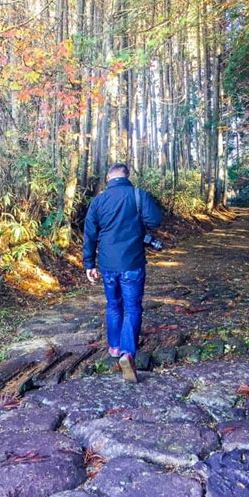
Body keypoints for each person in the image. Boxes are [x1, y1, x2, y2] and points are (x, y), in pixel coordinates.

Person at [83, 163, 162, 382]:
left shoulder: (98, 201)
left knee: (113, 305)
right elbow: (155, 220)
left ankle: (115, 348)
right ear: (127, 176)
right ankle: (128, 353)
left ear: (108, 177)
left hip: (107, 264)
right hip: (132, 262)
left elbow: (89, 234)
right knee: (133, 307)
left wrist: (89, 264)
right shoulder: (138, 195)